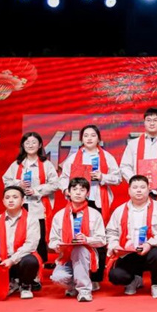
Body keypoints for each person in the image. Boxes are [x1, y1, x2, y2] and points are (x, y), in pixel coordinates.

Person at [59, 124, 121, 291]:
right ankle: (76, 276)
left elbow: (118, 178)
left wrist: (102, 176)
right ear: (81, 139)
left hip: (98, 201)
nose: (89, 138)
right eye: (86, 135)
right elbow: (63, 178)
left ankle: (95, 277)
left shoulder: (106, 157)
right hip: (78, 202)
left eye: (93, 135)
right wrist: (66, 190)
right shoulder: (73, 158)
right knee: (77, 237)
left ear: (98, 138)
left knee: (98, 238)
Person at [2, 131, 59, 278]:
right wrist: (18, 184)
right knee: (20, 236)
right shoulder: (17, 164)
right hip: (20, 206)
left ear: (40, 145)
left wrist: (36, 190)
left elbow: (55, 184)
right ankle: (19, 269)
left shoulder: (46, 164)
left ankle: (37, 271)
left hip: (38, 206)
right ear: (23, 145)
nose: (30, 145)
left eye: (34, 142)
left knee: (38, 238)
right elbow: (6, 180)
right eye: (27, 143)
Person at [106, 175, 157, 299]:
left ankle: (156, 285)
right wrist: (115, 245)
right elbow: (111, 232)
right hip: (128, 252)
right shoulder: (119, 210)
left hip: (151, 250)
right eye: (135, 187)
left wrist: (149, 243)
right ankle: (134, 280)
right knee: (116, 276)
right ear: (129, 190)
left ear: (148, 189)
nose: (138, 190)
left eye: (142, 187)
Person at [49, 177, 107, 302]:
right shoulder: (59, 215)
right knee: (58, 277)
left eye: (82, 190)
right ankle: (76, 285)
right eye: (74, 189)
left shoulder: (95, 214)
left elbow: (102, 240)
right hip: (66, 256)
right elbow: (52, 240)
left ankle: (84, 290)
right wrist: (58, 245)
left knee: (79, 249)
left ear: (87, 194)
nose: (78, 192)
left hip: (87, 255)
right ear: (69, 192)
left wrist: (87, 239)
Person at [0, 186, 41, 300]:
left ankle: (25, 285)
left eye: (15, 197)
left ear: (22, 201)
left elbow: (30, 245)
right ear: (3, 201)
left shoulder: (31, 220)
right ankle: (12, 282)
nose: (11, 200)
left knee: (30, 261)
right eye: (7, 198)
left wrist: (12, 260)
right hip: (2, 260)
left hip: (20, 259)